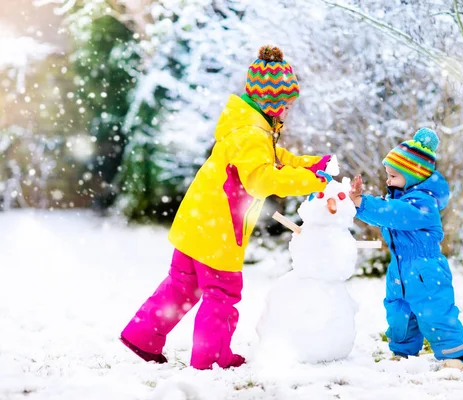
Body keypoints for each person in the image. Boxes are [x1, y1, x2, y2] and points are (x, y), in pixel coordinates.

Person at [120, 45, 330, 370]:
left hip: (198, 217)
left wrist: (312, 166)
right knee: (222, 292)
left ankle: (143, 335)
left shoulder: (247, 126)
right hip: (218, 226)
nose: (288, 112)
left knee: (182, 284)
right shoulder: (253, 134)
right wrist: (313, 183)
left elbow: (276, 160)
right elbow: (262, 179)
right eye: (286, 105)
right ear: (270, 102)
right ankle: (213, 356)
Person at [349, 128, 463, 370]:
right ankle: (403, 352)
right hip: (400, 267)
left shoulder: (422, 203)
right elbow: (388, 211)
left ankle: (454, 356)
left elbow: (396, 215)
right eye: (388, 175)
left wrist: (364, 203)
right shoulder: (400, 200)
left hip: (426, 269)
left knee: (435, 312)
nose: (388, 181)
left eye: (393, 176)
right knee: (398, 313)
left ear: (413, 175)